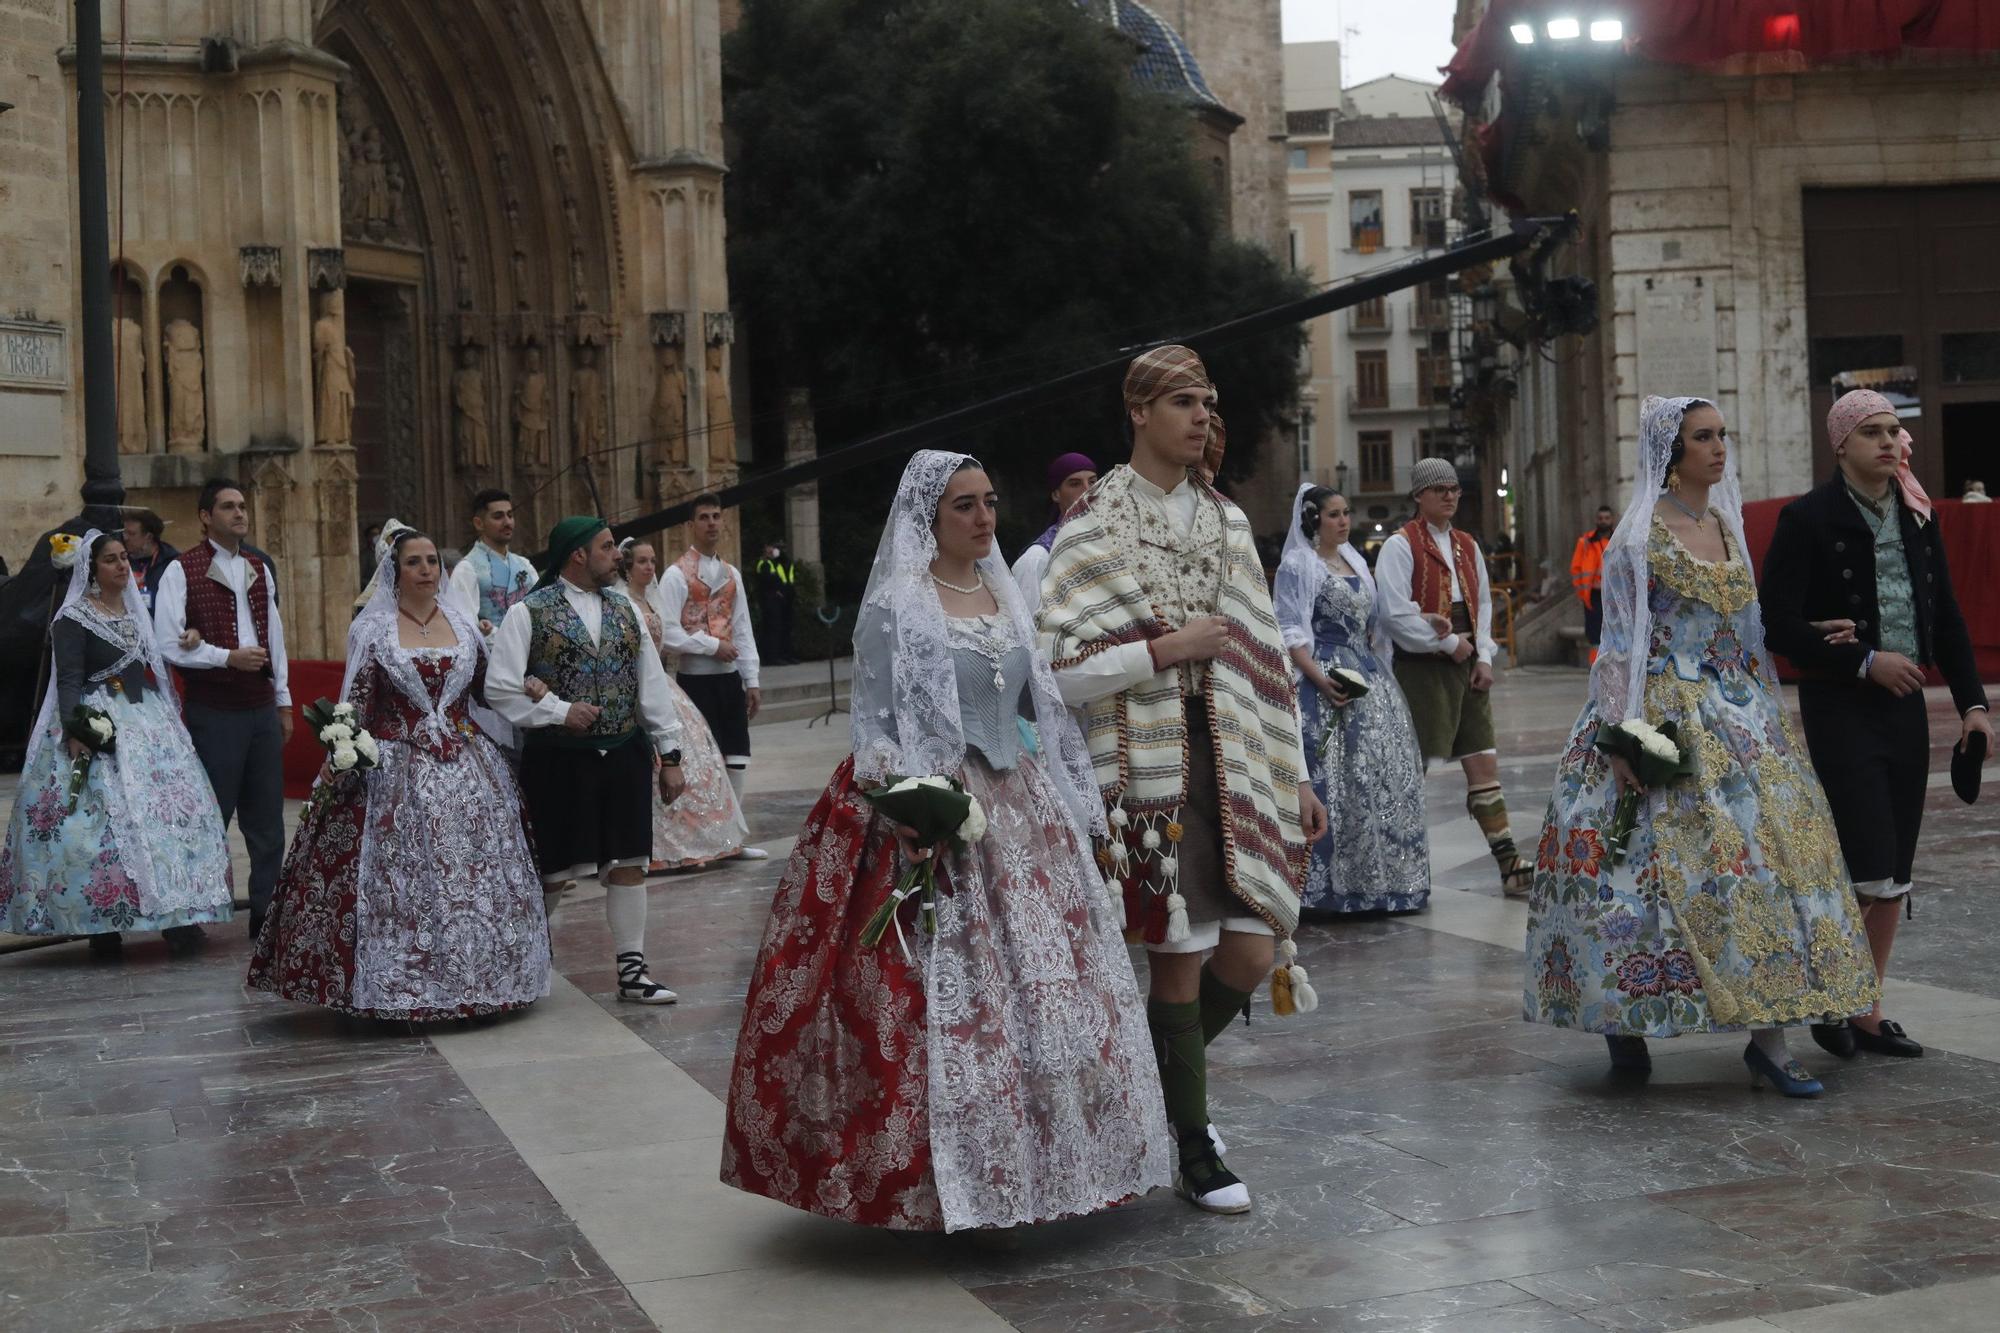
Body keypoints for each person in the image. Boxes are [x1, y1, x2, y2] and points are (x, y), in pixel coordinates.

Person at [721, 450, 1171, 1232]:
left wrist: (1079, 804)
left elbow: (1045, 708)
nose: (983, 516)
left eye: (990, 501)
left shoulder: (1005, 592)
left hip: (1021, 802)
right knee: (938, 998)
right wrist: (913, 811)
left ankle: (1054, 1158)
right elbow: (877, 724)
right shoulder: (898, 604)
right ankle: (943, 1179)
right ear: (929, 518)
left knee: (1050, 985)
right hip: (936, 806)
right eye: (964, 505)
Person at [1038, 346, 1327, 1216]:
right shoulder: (1094, 525)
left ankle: (1146, 1095)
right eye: (1182, 402)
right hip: (1146, 771)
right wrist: (1163, 649)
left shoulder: (1229, 522)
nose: (1202, 416)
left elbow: (1266, 652)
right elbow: (1060, 664)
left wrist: (1298, 775)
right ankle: (1195, 1145)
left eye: (1207, 401)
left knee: (1249, 947)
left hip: (1238, 753)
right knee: (1178, 956)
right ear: (1138, 412)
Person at [1523, 396, 1879, 1097]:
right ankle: (1622, 1017)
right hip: (1658, 711)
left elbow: (1749, 632)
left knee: (1764, 865)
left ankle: (1770, 1042)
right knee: (1637, 869)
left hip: (1738, 710)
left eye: (1722, 435)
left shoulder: (1727, 523)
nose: (1718, 448)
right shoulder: (1635, 537)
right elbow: (1620, 646)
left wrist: (1808, 640)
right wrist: (1623, 742)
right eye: (1702, 437)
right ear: (1672, 451)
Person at [1759, 390, 1992, 1061]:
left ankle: (1865, 1005)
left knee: (1894, 866)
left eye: (1895, 430)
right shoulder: (1807, 519)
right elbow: (1775, 622)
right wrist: (1862, 661)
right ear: (1841, 444)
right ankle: (1830, 993)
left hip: (1906, 705)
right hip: (1842, 703)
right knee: (1864, 857)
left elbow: (1944, 615)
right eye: (1872, 432)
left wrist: (1974, 704)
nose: (1889, 442)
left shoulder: (1918, 517)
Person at [247, 530, 550, 1020]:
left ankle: (485, 978)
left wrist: (529, 685)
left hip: (469, 767)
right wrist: (343, 754)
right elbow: (359, 702)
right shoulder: (377, 630)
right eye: (415, 562)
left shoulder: (464, 625)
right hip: (395, 769)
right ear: (395, 572)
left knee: (473, 876)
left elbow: (489, 691)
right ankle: (402, 983)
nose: (427, 570)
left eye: (433, 560)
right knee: (398, 881)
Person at [0, 531, 234, 955]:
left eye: (125, 558)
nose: (123, 566)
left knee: (172, 815)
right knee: (96, 825)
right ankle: (102, 924)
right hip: (98, 717)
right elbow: (68, 679)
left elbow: (153, 661)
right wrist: (76, 731)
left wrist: (192, 636)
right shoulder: (73, 618)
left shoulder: (134, 610)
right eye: (111, 560)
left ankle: (179, 918)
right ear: (92, 570)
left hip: (146, 718)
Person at [485, 517, 688, 1004]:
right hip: (558, 759)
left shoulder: (625, 610)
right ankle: (523, 962)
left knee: (629, 862)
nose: (616, 555)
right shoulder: (528, 613)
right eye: (606, 548)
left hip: (623, 752)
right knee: (553, 869)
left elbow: (651, 685)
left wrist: (670, 752)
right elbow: (500, 687)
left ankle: (633, 972)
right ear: (578, 554)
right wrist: (557, 710)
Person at [1376, 458, 1531, 897]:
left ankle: (1508, 864)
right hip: (1422, 672)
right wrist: (1447, 645)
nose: (1449, 495)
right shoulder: (1399, 546)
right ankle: (1393, 867)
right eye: (1439, 489)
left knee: (1483, 759)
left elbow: (1481, 608)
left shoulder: (1468, 545)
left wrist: (1482, 655)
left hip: (1468, 669)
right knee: (1412, 770)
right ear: (1418, 496)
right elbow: (1395, 615)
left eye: (1454, 489)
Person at [1274, 484, 1430, 915]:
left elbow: (1375, 625)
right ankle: (1332, 891)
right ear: (1313, 519)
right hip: (1324, 677)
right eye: (1334, 514)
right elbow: (1290, 632)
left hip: (1368, 676)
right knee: (1335, 777)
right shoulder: (1298, 565)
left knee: (1377, 775)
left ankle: (1384, 882)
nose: (1343, 521)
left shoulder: (1356, 561)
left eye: (1346, 513)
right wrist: (1321, 681)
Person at [154, 478, 294, 938]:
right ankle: (188, 917)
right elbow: (167, 644)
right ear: (205, 516)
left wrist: (283, 699)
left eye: (242, 506)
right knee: (206, 817)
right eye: (228, 506)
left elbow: (273, 636)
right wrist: (224, 656)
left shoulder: (259, 567)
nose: (239, 513)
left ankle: (266, 912)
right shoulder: (182, 570)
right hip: (214, 710)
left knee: (267, 821)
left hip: (258, 706)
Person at [618, 538, 748, 870]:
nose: (649, 567)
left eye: (652, 561)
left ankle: (697, 841)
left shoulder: (651, 601)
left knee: (696, 760)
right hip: (635, 687)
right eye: (642, 562)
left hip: (663, 684)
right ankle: (658, 848)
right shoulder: (621, 603)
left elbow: (669, 636)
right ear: (627, 567)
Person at [655, 494, 768, 860]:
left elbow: (743, 627)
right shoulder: (675, 575)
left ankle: (732, 839)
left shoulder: (731, 574)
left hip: (728, 678)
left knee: (736, 756)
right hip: (696, 680)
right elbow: (666, 631)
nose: (712, 523)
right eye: (703, 517)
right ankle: (701, 842)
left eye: (717, 516)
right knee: (702, 762)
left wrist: (751, 679)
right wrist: (709, 645)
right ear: (691, 525)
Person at [1009, 451, 1097, 611]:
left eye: (1092, 482)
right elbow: (1029, 625)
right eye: (1075, 484)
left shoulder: (1112, 543)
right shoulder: (1037, 559)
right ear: (1056, 494)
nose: (1087, 491)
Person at [445, 489, 537, 641]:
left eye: (510, 515)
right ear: (479, 523)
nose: (507, 522)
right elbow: (461, 623)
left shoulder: (524, 564)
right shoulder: (467, 568)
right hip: (492, 657)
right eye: (498, 516)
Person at [1569, 504, 1616, 656]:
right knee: (1595, 635)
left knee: (1614, 632)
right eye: (1601, 518)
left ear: (1612, 520)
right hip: (1594, 596)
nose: (1603, 521)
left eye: (1607, 518)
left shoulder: (1618, 540)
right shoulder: (1585, 542)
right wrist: (1583, 594)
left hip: (1614, 595)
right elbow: (1576, 569)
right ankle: (1594, 669)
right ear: (1596, 520)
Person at [120, 510, 179, 614]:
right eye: (124, 532)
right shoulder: (122, 559)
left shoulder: (172, 562)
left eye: (131, 533)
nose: (125, 538)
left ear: (149, 537)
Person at [751, 539, 798, 665]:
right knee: (772, 629)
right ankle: (772, 657)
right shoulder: (764, 564)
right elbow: (768, 582)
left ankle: (785, 654)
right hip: (770, 601)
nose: (775, 550)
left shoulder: (778, 563)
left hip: (783, 600)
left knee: (784, 628)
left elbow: (786, 575)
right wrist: (777, 592)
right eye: (772, 547)